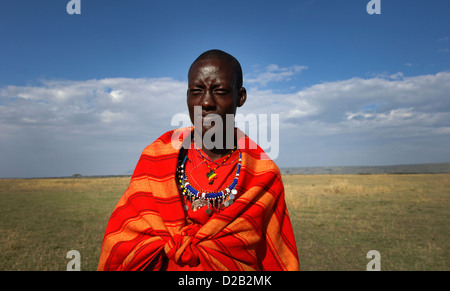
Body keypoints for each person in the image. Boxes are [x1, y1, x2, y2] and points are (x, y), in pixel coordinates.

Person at [97, 49, 300, 271]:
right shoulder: (156, 159)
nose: (206, 102)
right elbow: (124, 240)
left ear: (240, 97)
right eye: (196, 91)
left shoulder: (263, 175)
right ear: (187, 96)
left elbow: (275, 258)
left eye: (220, 91)